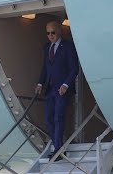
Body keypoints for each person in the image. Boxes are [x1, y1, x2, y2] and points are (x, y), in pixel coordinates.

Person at [35, 21, 79, 161]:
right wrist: (40, 83)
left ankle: (58, 149)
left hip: (62, 90)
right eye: (48, 33)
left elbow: (74, 68)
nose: (50, 36)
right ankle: (56, 145)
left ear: (59, 31)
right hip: (50, 89)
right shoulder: (47, 47)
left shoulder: (68, 46)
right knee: (48, 119)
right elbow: (45, 68)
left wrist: (66, 84)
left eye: (52, 32)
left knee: (58, 118)